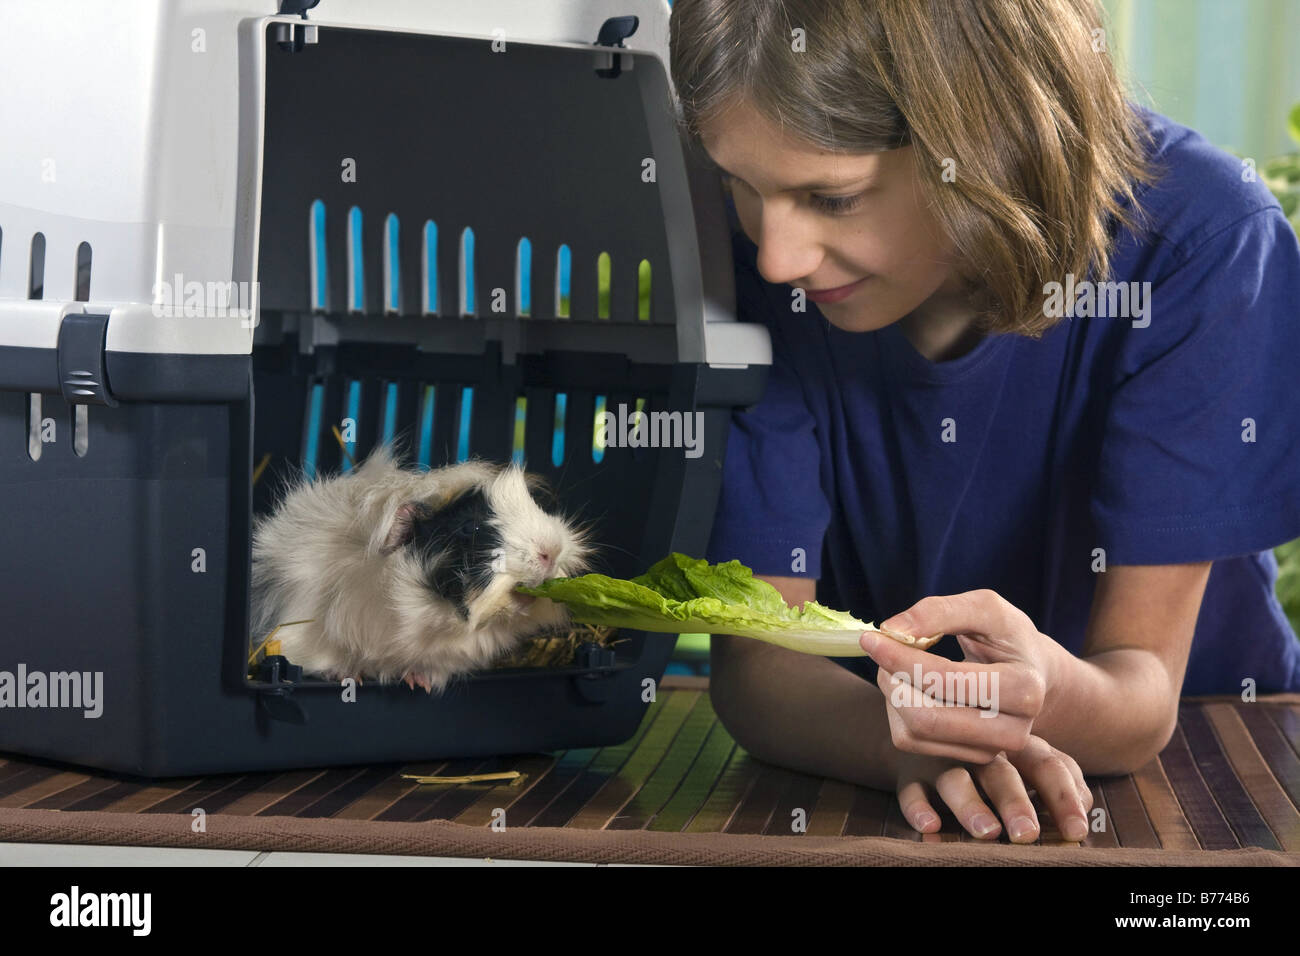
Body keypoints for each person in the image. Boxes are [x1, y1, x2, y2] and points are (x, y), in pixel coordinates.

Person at [669, 0, 1300, 843]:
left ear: (983, 146)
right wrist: (912, 747)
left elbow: (1140, 691)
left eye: (834, 196)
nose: (777, 256)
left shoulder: (1205, 242)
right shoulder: (750, 257)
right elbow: (760, 657)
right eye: (739, 185)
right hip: (887, 773)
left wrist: (1040, 696)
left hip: (1209, 757)